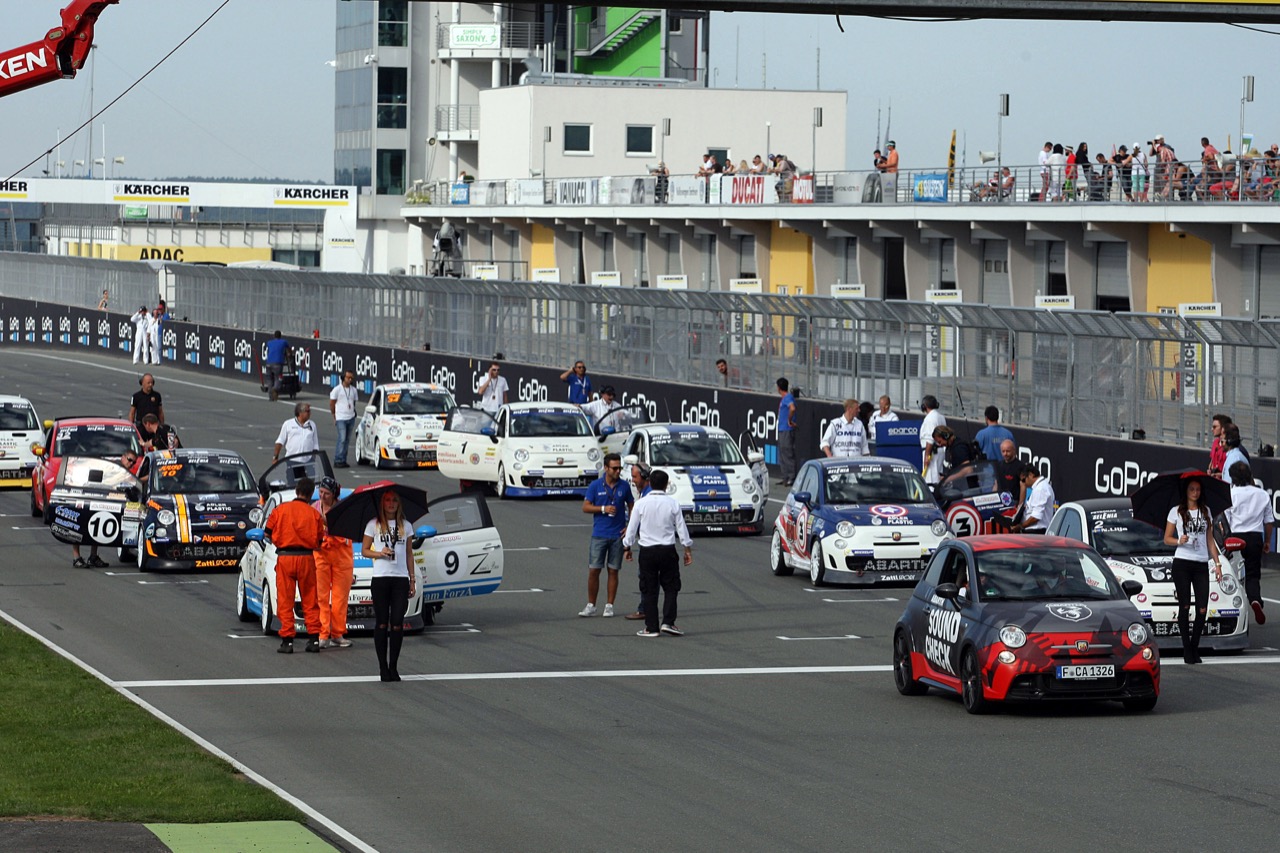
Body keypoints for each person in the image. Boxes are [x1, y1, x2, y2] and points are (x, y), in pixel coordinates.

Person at [623, 469, 693, 638]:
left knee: (649, 588)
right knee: (671, 587)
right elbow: (681, 528)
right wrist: (687, 548)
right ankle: (668, 622)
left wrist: (627, 547)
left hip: (647, 551)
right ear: (666, 484)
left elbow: (631, 529)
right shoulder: (673, 503)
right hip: (667, 550)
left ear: (649, 483)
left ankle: (651, 627)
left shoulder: (641, 503)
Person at [1163, 477, 1223, 664]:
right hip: (1182, 562)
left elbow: (1210, 540)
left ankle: (1194, 645)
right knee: (1185, 606)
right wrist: (1178, 540)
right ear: (1186, 491)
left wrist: (1218, 563)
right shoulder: (1176, 512)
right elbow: (1166, 538)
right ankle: (1187, 648)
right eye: (1192, 489)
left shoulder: (1206, 512)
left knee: (1203, 608)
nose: (1195, 493)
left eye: (1197, 489)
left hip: (1200, 564)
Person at [264, 477, 325, 654]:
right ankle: (314, 639)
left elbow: (267, 533)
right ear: (311, 494)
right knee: (310, 599)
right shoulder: (314, 514)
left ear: (297, 490)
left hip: (285, 557)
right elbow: (319, 541)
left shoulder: (280, 510)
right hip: (306, 558)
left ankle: (287, 641)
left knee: (285, 599)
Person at [363, 489, 416, 682]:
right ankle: (382, 667)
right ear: (383, 503)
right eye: (387, 500)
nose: (391, 503)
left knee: (397, 623)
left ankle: (394, 666)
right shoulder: (373, 524)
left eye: (394, 500)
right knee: (382, 622)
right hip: (381, 578)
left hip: (400, 579)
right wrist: (380, 553)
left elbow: (409, 554)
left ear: (398, 503)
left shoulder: (407, 526)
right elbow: (365, 550)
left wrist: (412, 579)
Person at [578, 453, 633, 618]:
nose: (618, 471)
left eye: (620, 468)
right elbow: (586, 507)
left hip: (617, 535)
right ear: (606, 468)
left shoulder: (624, 486)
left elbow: (633, 507)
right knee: (594, 570)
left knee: (613, 570)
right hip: (599, 534)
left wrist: (629, 527)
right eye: (614, 468)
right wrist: (603, 509)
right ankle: (591, 604)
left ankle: (609, 605)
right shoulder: (595, 485)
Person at [71, 449, 138, 568]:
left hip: (103, 502)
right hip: (90, 498)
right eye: (129, 460)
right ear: (123, 457)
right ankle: (76, 557)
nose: (131, 463)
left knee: (98, 527)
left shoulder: (125, 473)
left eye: (133, 462)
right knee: (80, 526)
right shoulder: (114, 467)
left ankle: (93, 556)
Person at [1226, 460, 1273, 626]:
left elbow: (1227, 519)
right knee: (1253, 575)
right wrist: (1267, 541)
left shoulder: (1231, 494)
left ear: (1233, 478)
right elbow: (1269, 521)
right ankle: (1255, 600)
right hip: (1255, 537)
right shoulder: (1262, 495)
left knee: (1231, 574)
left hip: (1235, 537)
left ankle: (1231, 605)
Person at [313, 476, 354, 649]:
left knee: (340, 597)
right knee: (321, 596)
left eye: (326, 494)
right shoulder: (314, 508)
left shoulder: (343, 509)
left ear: (334, 494)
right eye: (321, 492)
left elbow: (348, 528)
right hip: (321, 554)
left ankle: (338, 633)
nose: (322, 497)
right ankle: (323, 634)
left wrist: (327, 522)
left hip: (342, 554)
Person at [623, 464, 653, 621]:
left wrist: (627, 545)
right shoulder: (646, 494)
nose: (633, 480)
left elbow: (637, 523)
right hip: (660, 545)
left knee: (646, 578)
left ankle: (645, 609)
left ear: (645, 477)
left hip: (649, 545)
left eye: (635, 477)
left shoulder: (646, 497)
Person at [1011, 464, 1053, 534]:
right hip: (1033, 531)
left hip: (1036, 532)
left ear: (1030, 475)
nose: (1024, 484)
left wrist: (1020, 526)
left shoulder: (1040, 489)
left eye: (1024, 480)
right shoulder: (1039, 487)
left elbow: (1036, 517)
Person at [329, 370, 358, 468]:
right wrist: (334, 415)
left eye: (351, 378)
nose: (350, 380)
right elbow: (332, 403)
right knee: (342, 438)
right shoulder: (337, 389)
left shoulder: (353, 390)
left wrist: (353, 412)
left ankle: (343, 459)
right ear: (343, 378)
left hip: (351, 417)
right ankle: (338, 459)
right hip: (340, 417)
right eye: (348, 378)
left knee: (347, 440)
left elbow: (353, 402)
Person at [919, 394, 946, 485]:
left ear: (924, 406)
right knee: (937, 477)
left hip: (931, 453)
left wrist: (927, 455)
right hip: (940, 451)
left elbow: (930, 439)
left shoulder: (930, 419)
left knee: (930, 480)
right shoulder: (941, 417)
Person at [776, 377, 797, 486]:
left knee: (788, 453)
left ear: (778, 388)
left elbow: (792, 408)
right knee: (782, 453)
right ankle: (785, 477)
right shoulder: (785, 398)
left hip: (787, 429)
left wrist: (789, 420)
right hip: (782, 429)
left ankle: (791, 477)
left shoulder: (788, 397)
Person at [264, 331, 290, 402]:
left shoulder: (269, 342)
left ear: (274, 336)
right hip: (277, 364)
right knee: (278, 378)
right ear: (280, 336)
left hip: (269, 363)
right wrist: (289, 354)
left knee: (269, 379)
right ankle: (275, 389)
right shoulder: (284, 342)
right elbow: (289, 350)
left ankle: (270, 395)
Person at [1208, 413, 1232, 477]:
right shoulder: (1215, 442)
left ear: (1223, 428)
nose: (1212, 429)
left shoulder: (1231, 447)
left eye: (1215, 427)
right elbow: (1212, 462)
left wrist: (1220, 475)